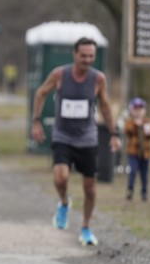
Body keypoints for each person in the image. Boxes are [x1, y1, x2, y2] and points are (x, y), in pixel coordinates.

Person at [31, 37, 120, 246]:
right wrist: (36, 121)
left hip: (87, 138)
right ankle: (64, 202)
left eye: (91, 56)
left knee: (90, 188)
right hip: (63, 136)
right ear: (75, 54)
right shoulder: (60, 74)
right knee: (61, 178)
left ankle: (86, 228)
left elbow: (105, 106)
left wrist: (114, 133)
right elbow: (41, 93)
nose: (87, 60)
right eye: (83, 56)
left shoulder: (98, 79)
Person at [123, 97, 150, 201]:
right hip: (133, 152)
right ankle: (130, 190)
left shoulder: (148, 122)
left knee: (144, 174)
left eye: (140, 109)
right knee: (133, 171)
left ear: (144, 110)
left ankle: (144, 192)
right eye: (135, 109)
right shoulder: (130, 122)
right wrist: (135, 124)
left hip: (146, 153)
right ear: (131, 111)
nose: (138, 112)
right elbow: (127, 131)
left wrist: (149, 132)